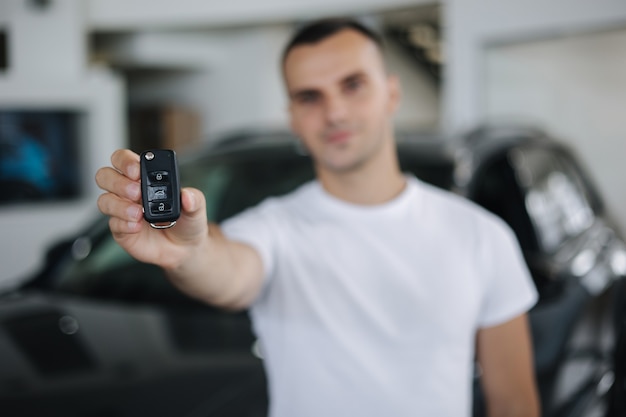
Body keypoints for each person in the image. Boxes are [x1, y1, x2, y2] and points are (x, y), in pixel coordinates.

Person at [96, 18, 540, 417]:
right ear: (292, 117)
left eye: (353, 85)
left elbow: (514, 402)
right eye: (310, 97)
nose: (335, 113)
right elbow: (228, 270)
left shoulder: (481, 235)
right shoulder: (274, 229)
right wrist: (188, 252)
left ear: (392, 92)